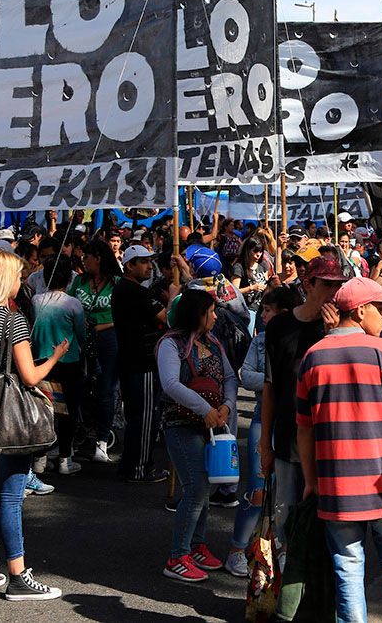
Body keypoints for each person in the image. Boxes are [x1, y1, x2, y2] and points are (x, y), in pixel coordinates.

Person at [297, 277, 382, 623]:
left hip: (335, 484)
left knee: (347, 569)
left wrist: (310, 479)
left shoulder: (313, 356)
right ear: (360, 310)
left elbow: (304, 428)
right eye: (380, 309)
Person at [0, 250, 69, 601]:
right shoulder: (12, 320)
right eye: (19, 276)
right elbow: (30, 375)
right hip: (9, 413)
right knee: (11, 495)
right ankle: (18, 575)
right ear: (6, 279)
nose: (23, 282)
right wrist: (54, 356)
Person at [260, 256, 345, 542]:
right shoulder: (279, 325)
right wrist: (264, 443)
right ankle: (287, 580)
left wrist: (334, 334)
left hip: (328, 439)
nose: (335, 292)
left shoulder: (342, 324)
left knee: (327, 522)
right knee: (286, 517)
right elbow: (270, 386)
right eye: (328, 284)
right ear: (308, 284)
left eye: (338, 285)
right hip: (287, 436)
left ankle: (319, 583)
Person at [156, 289, 239, 582]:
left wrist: (227, 406)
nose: (215, 316)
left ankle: (195, 545)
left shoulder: (213, 342)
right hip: (181, 424)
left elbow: (230, 377)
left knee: (204, 487)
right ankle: (177, 556)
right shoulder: (171, 344)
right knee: (195, 488)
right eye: (210, 311)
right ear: (197, 314)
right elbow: (170, 384)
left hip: (211, 424)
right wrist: (205, 408)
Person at [225, 287, 299, 576]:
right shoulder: (260, 341)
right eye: (263, 309)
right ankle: (236, 549)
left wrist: (272, 382)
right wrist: (277, 382)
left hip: (292, 424)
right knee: (257, 489)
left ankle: (280, 550)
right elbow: (248, 376)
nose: (263, 314)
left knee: (288, 492)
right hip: (261, 418)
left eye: (269, 310)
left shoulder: (300, 338)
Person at [112, 244, 185, 483]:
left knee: (137, 417)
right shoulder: (133, 291)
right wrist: (173, 295)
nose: (148, 266)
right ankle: (139, 468)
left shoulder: (126, 289)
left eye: (149, 261)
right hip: (139, 362)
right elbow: (168, 318)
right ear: (129, 265)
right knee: (144, 418)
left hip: (132, 360)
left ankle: (131, 465)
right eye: (142, 262)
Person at [30, 260, 86, 475]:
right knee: (68, 412)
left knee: (44, 410)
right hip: (68, 361)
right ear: (68, 279)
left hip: (41, 361)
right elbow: (81, 333)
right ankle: (65, 458)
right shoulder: (73, 304)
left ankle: (40, 459)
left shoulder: (36, 301)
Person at [68, 241, 120, 464]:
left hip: (109, 341)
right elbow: (69, 305)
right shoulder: (79, 281)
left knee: (106, 390)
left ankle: (101, 441)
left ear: (97, 258)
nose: (83, 262)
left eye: (86, 257)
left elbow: (122, 313)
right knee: (78, 387)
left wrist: (101, 325)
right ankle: (75, 435)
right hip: (80, 341)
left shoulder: (116, 283)